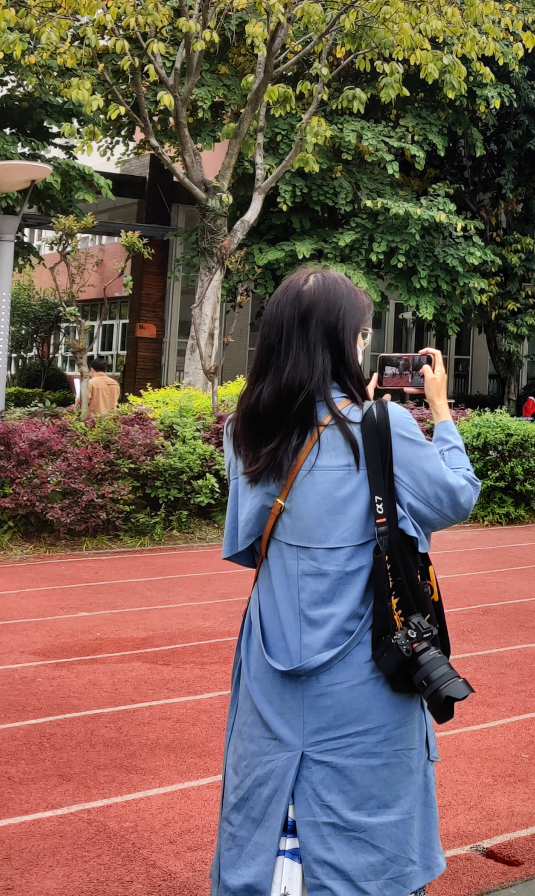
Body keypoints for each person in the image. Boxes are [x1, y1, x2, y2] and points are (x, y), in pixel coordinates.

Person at [211, 268, 479, 896]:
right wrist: (438, 409)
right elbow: (455, 498)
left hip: (270, 666)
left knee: (266, 803)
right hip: (363, 672)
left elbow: (250, 546)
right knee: (367, 828)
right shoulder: (379, 428)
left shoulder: (246, 432)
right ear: (345, 343)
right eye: (360, 334)